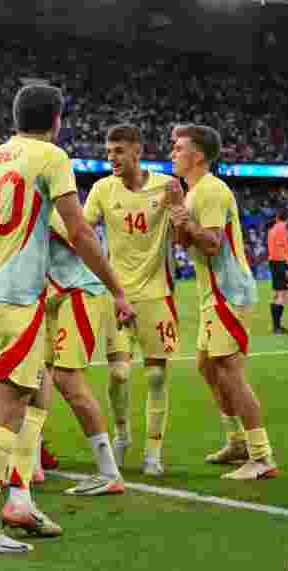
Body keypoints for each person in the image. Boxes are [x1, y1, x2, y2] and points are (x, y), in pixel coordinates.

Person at [0, 84, 133, 553]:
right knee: (7, 413)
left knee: (38, 390)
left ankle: (21, 499)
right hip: (18, 302)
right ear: (58, 120)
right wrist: (116, 288)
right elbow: (80, 230)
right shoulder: (50, 156)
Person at [169, 124, 279, 481]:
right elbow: (184, 244)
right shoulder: (193, 192)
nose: (172, 152)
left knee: (229, 371)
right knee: (206, 366)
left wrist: (186, 220)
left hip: (227, 293)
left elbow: (212, 243)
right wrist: (176, 214)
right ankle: (237, 442)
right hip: (211, 294)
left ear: (197, 155)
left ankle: (262, 457)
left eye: (178, 147)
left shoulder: (212, 191)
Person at [83, 125, 182, 475]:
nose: (112, 157)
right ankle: (122, 434)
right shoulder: (101, 190)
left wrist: (180, 205)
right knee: (120, 373)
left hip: (157, 296)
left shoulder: (165, 186)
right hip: (116, 295)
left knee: (156, 377)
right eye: (109, 151)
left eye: (119, 151)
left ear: (137, 151)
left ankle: (153, 452)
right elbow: (80, 231)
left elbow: (183, 236)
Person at [43, 211, 124, 496]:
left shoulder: (48, 210)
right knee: (34, 378)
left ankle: (108, 472)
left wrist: (118, 293)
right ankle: (27, 461)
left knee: (67, 379)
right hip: (49, 299)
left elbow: (83, 239)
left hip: (77, 291)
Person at [266, 210, 288, 334]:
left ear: (277, 217)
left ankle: (277, 326)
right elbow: (282, 248)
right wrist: (287, 267)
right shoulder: (282, 229)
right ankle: (277, 327)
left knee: (278, 294)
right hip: (280, 262)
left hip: (273, 262)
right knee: (283, 295)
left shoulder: (272, 229)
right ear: (286, 219)